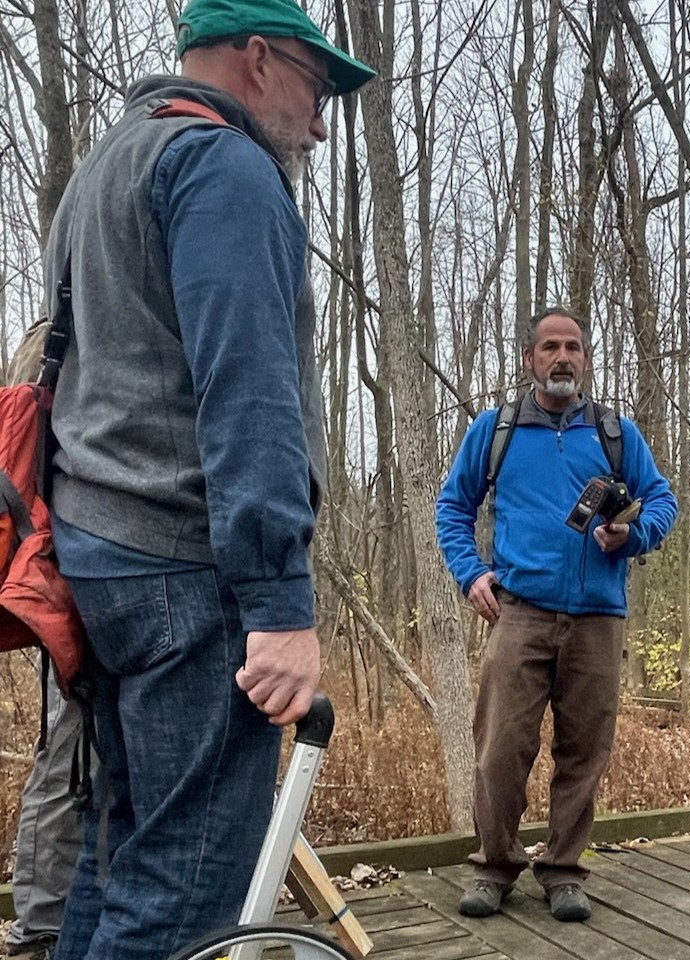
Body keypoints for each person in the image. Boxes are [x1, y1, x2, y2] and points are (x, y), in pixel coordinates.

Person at [39, 2, 374, 957]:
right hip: (187, 572)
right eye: (318, 89)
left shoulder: (105, 166)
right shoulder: (223, 167)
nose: (320, 124)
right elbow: (249, 393)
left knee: (119, 858)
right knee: (186, 891)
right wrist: (278, 603)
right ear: (258, 59)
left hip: (99, 560)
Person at [436, 308, 677, 923]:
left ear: (587, 358)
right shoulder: (497, 430)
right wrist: (472, 573)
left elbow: (662, 501)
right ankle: (494, 866)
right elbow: (453, 508)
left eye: (573, 346)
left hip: (599, 618)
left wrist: (632, 535)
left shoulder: (616, 433)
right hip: (518, 611)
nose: (562, 357)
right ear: (529, 358)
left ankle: (564, 871)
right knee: (499, 749)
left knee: (584, 752)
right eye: (550, 347)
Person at [3, 324, 82, 960]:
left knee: (66, 751)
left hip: (54, 584)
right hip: (64, 582)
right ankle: (37, 926)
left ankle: (45, 919)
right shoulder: (60, 354)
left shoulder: (44, 346)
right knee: (66, 754)